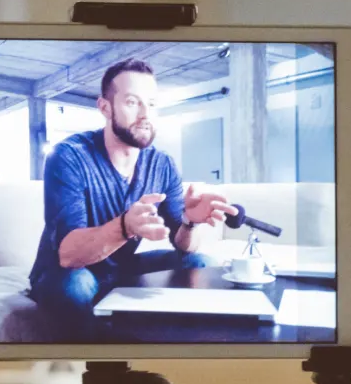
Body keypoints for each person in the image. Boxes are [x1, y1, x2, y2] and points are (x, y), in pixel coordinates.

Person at [28, 59, 233, 332]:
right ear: (105, 107)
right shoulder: (69, 156)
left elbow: (184, 245)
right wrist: (125, 227)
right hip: (67, 272)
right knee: (73, 286)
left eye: (151, 104)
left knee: (202, 263)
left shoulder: (162, 164)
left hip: (122, 268)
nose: (145, 114)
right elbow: (68, 255)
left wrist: (189, 221)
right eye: (132, 102)